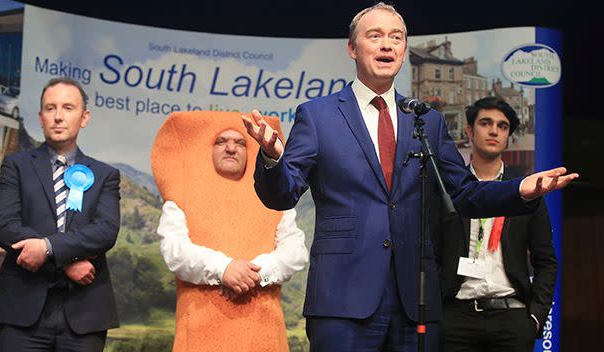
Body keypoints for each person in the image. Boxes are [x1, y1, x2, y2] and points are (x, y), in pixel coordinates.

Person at [241, 2, 577, 351]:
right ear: (353, 48)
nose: (387, 44)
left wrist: (519, 190)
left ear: (403, 50)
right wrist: (271, 156)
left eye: (396, 37)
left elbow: (463, 194)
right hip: (342, 300)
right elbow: (283, 194)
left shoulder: (426, 120)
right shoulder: (318, 115)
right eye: (375, 36)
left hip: (415, 301)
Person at [152, 111, 308, 352]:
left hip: (263, 333)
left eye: (240, 143)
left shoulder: (274, 199)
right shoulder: (182, 196)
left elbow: (295, 251)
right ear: (209, 150)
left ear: (252, 152)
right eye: (221, 141)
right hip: (199, 334)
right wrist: (222, 269)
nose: (231, 148)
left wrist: (256, 272)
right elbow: (174, 250)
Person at [0, 77, 121, 351]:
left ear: (84, 118)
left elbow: (105, 231)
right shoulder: (16, 165)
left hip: (84, 313)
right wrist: (66, 261)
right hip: (22, 310)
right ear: (40, 117)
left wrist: (47, 248)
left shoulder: (105, 175)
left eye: (68, 108)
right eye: (50, 108)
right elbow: (5, 226)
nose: (58, 116)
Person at [435, 97, 557, 351]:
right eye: (486, 123)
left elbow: (545, 261)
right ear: (469, 131)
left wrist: (535, 317)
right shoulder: (450, 189)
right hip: (456, 315)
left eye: (502, 126)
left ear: (508, 136)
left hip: (512, 316)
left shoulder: (526, 190)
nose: (494, 131)